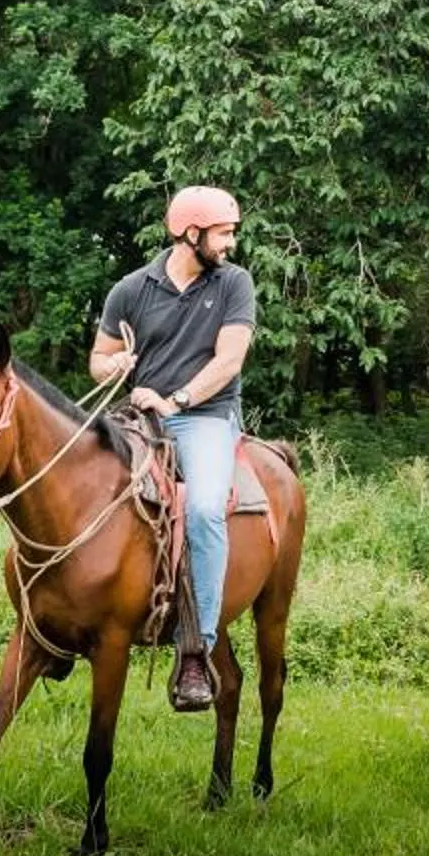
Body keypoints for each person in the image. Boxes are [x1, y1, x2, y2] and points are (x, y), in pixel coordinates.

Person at [90, 185, 256, 711]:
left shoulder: (234, 284)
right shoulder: (131, 289)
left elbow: (229, 361)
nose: (230, 242)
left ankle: (195, 651)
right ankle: (70, 622)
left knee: (205, 508)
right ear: (192, 233)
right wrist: (114, 366)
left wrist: (176, 399)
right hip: (138, 416)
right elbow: (100, 357)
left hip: (204, 418)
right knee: (82, 488)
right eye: (224, 232)